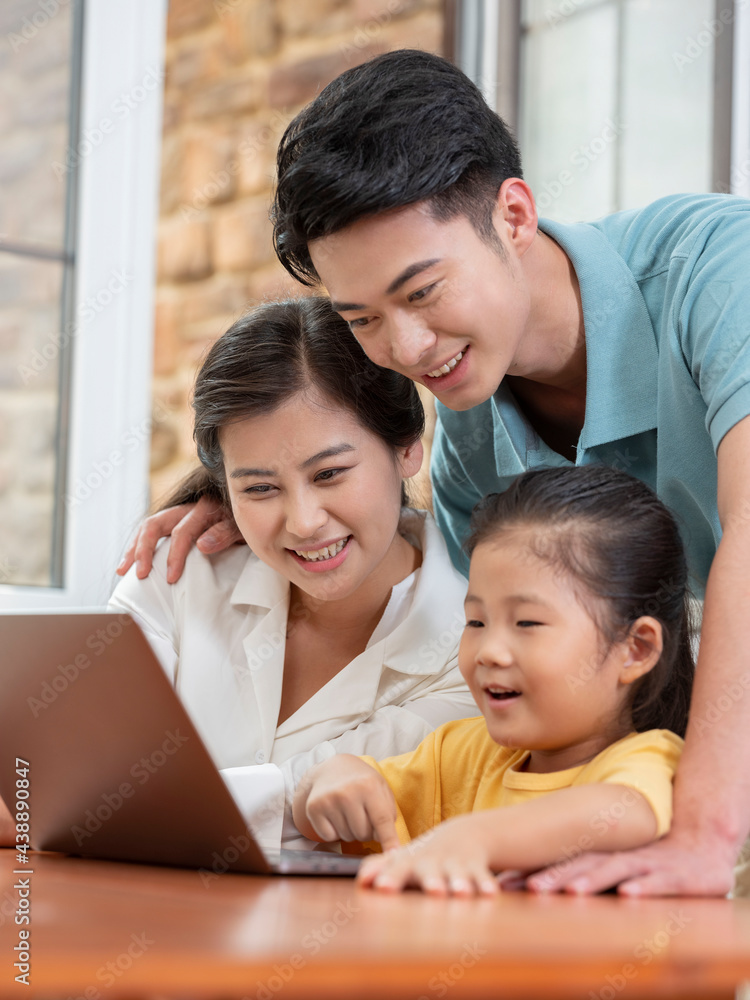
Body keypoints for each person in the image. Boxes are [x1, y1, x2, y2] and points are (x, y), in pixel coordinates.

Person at [120, 50, 750, 896]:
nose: (405, 350)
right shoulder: (470, 446)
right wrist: (253, 494)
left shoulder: (719, 273)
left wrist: (704, 831)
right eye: (363, 319)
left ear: (515, 215)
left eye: (422, 292)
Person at [109, 296, 476, 850]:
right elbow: (83, 767)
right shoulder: (176, 573)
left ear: (407, 450)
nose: (304, 523)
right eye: (259, 488)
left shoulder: (476, 638)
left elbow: (314, 795)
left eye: (329, 473)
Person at [293, 466, 692, 896]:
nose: (488, 651)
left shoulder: (652, 759)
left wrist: (473, 838)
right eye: (477, 621)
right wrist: (328, 780)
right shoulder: (458, 755)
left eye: (527, 622)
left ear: (635, 649)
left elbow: (626, 811)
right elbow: (331, 806)